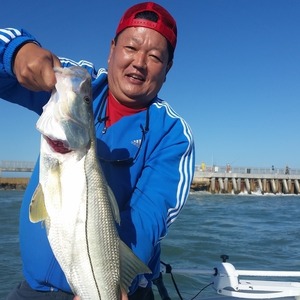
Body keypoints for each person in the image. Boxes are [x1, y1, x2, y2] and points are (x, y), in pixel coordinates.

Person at [0, 2, 195, 299]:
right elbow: (17, 68)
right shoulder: (79, 83)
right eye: (130, 47)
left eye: (155, 56)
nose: (139, 62)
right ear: (112, 49)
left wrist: (112, 284)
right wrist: (16, 51)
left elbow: (147, 218)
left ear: (167, 69)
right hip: (34, 289)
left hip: (116, 289)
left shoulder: (172, 135)